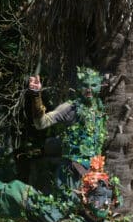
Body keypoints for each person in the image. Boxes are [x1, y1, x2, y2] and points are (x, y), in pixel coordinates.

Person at [27, 67, 107, 197]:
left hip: (94, 174)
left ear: (100, 86)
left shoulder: (100, 110)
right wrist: (36, 95)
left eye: (93, 85)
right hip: (72, 172)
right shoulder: (70, 108)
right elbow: (41, 123)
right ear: (79, 86)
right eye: (85, 85)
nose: (89, 89)